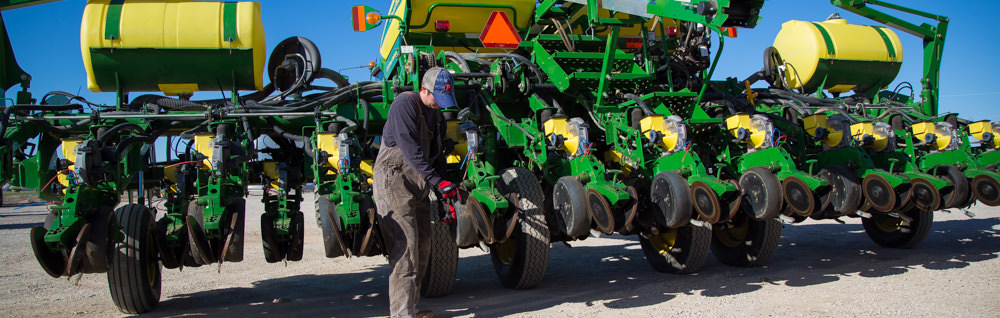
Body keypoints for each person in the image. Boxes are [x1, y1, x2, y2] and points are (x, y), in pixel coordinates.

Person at [372, 67, 459, 318]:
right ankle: (401, 314)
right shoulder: (404, 104)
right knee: (405, 251)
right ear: (424, 89)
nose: (440, 105)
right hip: (394, 182)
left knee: (422, 248)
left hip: (418, 184)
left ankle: (412, 308)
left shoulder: (438, 117)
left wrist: (445, 191)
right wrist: (436, 181)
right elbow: (410, 149)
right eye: (437, 99)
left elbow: (437, 156)